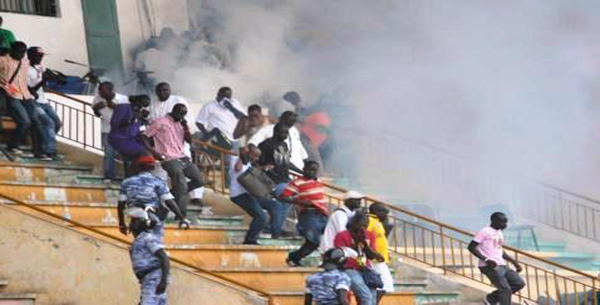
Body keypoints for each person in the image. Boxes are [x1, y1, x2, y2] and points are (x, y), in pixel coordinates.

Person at [142, 103, 205, 218]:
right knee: (182, 186)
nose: (181, 116)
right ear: (174, 110)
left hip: (182, 157)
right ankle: (181, 216)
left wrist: (185, 127)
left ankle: (167, 197)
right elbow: (143, 137)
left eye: (184, 114)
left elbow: (189, 141)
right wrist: (153, 151)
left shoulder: (181, 124)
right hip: (168, 158)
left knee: (199, 181)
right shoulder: (160, 122)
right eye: (180, 113)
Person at [118, 154, 190, 240]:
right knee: (154, 244)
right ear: (153, 168)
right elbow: (169, 201)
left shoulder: (126, 182)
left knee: (139, 244)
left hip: (135, 218)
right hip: (153, 217)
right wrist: (182, 218)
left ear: (138, 167)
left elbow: (121, 205)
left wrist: (121, 223)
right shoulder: (158, 182)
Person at [1, 41, 50, 159]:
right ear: (12, 50)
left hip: (25, 94)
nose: (21, 54)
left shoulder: (25, 62)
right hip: (11, 95)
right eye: (19, 52)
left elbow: (23, 79)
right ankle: (13, 145)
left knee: (36, 122)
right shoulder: (3, 60)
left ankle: (40, 151)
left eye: (23, 52)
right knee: (24, 121)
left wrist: (31, 90)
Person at [468, 212, 525, 305]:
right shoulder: (484, 231)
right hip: (490, 266)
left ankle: (491, 299)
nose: (505, 225)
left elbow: (500, 250)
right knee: (505, 289)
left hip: (502, 265)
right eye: (502, 222)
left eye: (506, 222)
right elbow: (471, 247)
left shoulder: (499, 233)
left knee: (519, 283)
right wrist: (486, 259)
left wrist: (514, 262)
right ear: (494, 221)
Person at [228, 144, 281, 244]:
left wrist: (263, 168)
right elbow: (238, 169)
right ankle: (250, 240)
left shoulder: (248, 163)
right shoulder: (235, 159)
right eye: (254, 156)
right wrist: (242, 154)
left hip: (251, 194)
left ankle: (273, 230)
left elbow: (251, 174)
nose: (256, 159)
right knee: (261, 216)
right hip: (239, 195)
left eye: (258, 156)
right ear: (248, 153)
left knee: (276, 205)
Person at [281, 160, 329, 267]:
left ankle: (327, 262)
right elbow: (283, 197)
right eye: (309, 170)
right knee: (313, 241)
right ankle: (293, 257)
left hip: (322, 214)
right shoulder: (297, 182)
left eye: (314, 170)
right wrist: (300, 201)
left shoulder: (318, 180)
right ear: (304, 169)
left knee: (329, 238)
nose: (312, 172)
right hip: (309, 214)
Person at [334, 211, 384, 305]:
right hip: (349, 269)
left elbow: (371, 256)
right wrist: (356, 242)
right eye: (362, 224)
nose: (364, 227)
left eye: (366, 224)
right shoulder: (342, 235)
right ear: (354, 223)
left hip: (366, 269)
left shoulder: (369, 234)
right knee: (366, 296)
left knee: (372, 298)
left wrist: (365, 244)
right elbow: (340, 254)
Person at [258, 123, 296, 237]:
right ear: (276, 131)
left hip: (285, 180)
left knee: (285, 205)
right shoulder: (265, 144)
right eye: (284, 132)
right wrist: (265, 168)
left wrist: (302, 171)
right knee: (285, 203)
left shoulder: (284, 145)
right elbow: (259, 163)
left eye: (287, 133)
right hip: (273, 181)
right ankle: (275, 229)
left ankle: (273, 227)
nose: (286, 135)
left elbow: (287, 163)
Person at [26, 46, 61, 160]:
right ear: (30, 56)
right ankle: (49, 151)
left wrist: (57, 77)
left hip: (44, 101)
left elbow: (56, 79)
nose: (41, 58)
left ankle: (45, 145)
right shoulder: (25, 69)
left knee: (57, 123)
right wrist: (43, 80)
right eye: (38, 55)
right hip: (32, 101)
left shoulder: (40, 67)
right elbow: (30, 90)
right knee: (49, 123)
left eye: (42, 56)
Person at [128, 217, 171, 305]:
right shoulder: (137, 241)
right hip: (147, 280)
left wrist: (163, 281)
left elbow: (165, 258)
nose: (130, 224)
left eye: (134, 221)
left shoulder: (147, 238)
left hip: (154, 279)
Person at [92, 81, 129, 182]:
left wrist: (116, 107)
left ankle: (128, 177)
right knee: (108, 154)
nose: (99, 93)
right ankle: (109, 176)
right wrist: (96, 108)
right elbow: (97, 113)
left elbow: (129, 116)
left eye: (102, 91)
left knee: (125, 155)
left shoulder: (123, 99)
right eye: (99, 90)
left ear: (110, 90)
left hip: (122, 131)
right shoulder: (97, 98)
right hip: (107, 130)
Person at [109, 95, 150, 177]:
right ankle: (132, 176)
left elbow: (135, 129)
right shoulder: (123, 107)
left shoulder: (138, 113)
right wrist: (132, 119)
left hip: (130, 140)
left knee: (130, 159)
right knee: (142, 152)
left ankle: (130, 178)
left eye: (144, 106)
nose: (141, 107)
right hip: (119, 138)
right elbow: (114, 124)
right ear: (136, 101)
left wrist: (143, 120)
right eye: (140, 105)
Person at [367, 203, 395, 303]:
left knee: (383, 283)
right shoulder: (370, 220)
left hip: (379, 258)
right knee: (385, 283)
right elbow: (365, 238)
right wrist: (372, 253)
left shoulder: (377, 221)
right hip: (374, 258)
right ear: (377, 212)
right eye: (385, 213)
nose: (386, 216)